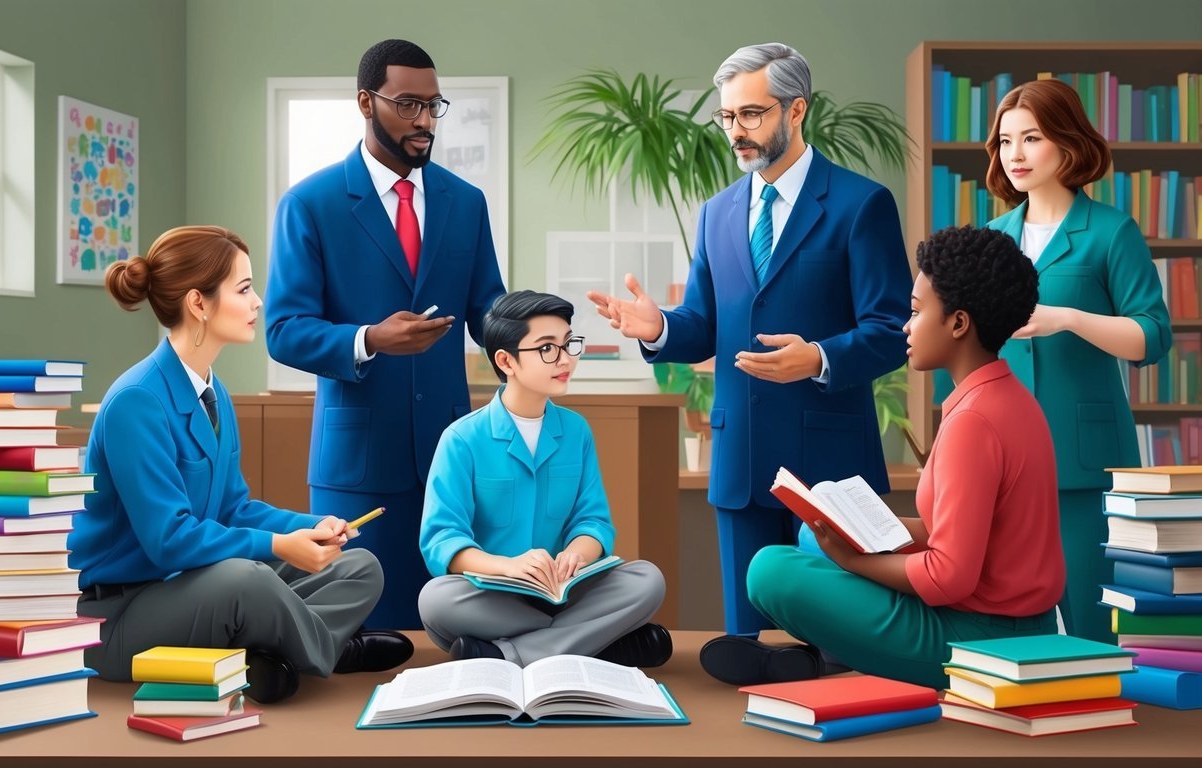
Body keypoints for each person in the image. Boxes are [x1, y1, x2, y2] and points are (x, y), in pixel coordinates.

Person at [587, 43, 911, 680]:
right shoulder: (718, 213)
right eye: (727, 116)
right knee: (747, 648)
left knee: (835, 650)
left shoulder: (859, 204)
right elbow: (704, 329)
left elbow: (891, 329)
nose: (735, 131)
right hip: (740, 454)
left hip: (829, 462)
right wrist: (657, 330)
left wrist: (818, 357)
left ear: (797, 111)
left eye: (752, 114)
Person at [71, 226, 412, 705]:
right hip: (125, 615)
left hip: (197, 587)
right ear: (199, 303)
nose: (258, 303)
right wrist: (279, 546)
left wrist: (313, 527)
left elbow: (234, 507)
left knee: (359, 566)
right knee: (246, 579)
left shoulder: (214, 392)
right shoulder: (136, 401)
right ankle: (328, 651)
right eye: (245, 289)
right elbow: (169, 540)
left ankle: (281, 652)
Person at [740, 225, 1065, 689]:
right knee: (815, 539)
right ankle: (832, 654)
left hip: (980, 639)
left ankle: (830, 656)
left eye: (915, 312)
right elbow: (960, 535)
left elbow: (948, 578)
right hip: (1011, 615)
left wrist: (854, 561)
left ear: (958, 323)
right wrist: (864, 528)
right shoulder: (1007, 397)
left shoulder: (974, 422)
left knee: (769, 570)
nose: (906, 327)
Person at [266, 39, 505, 631]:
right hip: (358, 463)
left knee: (457, 631)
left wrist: (534, 329)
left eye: (433, 105)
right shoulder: (309, 204)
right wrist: (369, 339)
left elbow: (487, 306)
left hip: (454, 455)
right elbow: (284, 331)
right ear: (366, 102)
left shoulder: (466, 203)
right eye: (407, 105)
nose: (424, 121)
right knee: (358, 639)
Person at [984, 79, 1171, 643]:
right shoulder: (992, 239)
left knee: (1092, 615)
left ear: (1067, 143)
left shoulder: (1112, 231)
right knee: (1010, 612)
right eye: (1004, 141)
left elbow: (1152, 336)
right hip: (1004, 452)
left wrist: (1068, 317)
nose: (1014, 154)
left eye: (1031, 138)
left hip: (1085, 457)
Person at [417, 291, 672, 667]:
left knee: (647, 579)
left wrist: (574, 555)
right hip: (494, 595)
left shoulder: (575, 431)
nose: (566, 359)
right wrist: (508, 567)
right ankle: (594, 642)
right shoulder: (462, 439)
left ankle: (509, 653)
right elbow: (443, 540)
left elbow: (593, 521)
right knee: (436, 600)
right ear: (507, 361)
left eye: (569, 344)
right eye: (548, 349)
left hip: (566, 591)